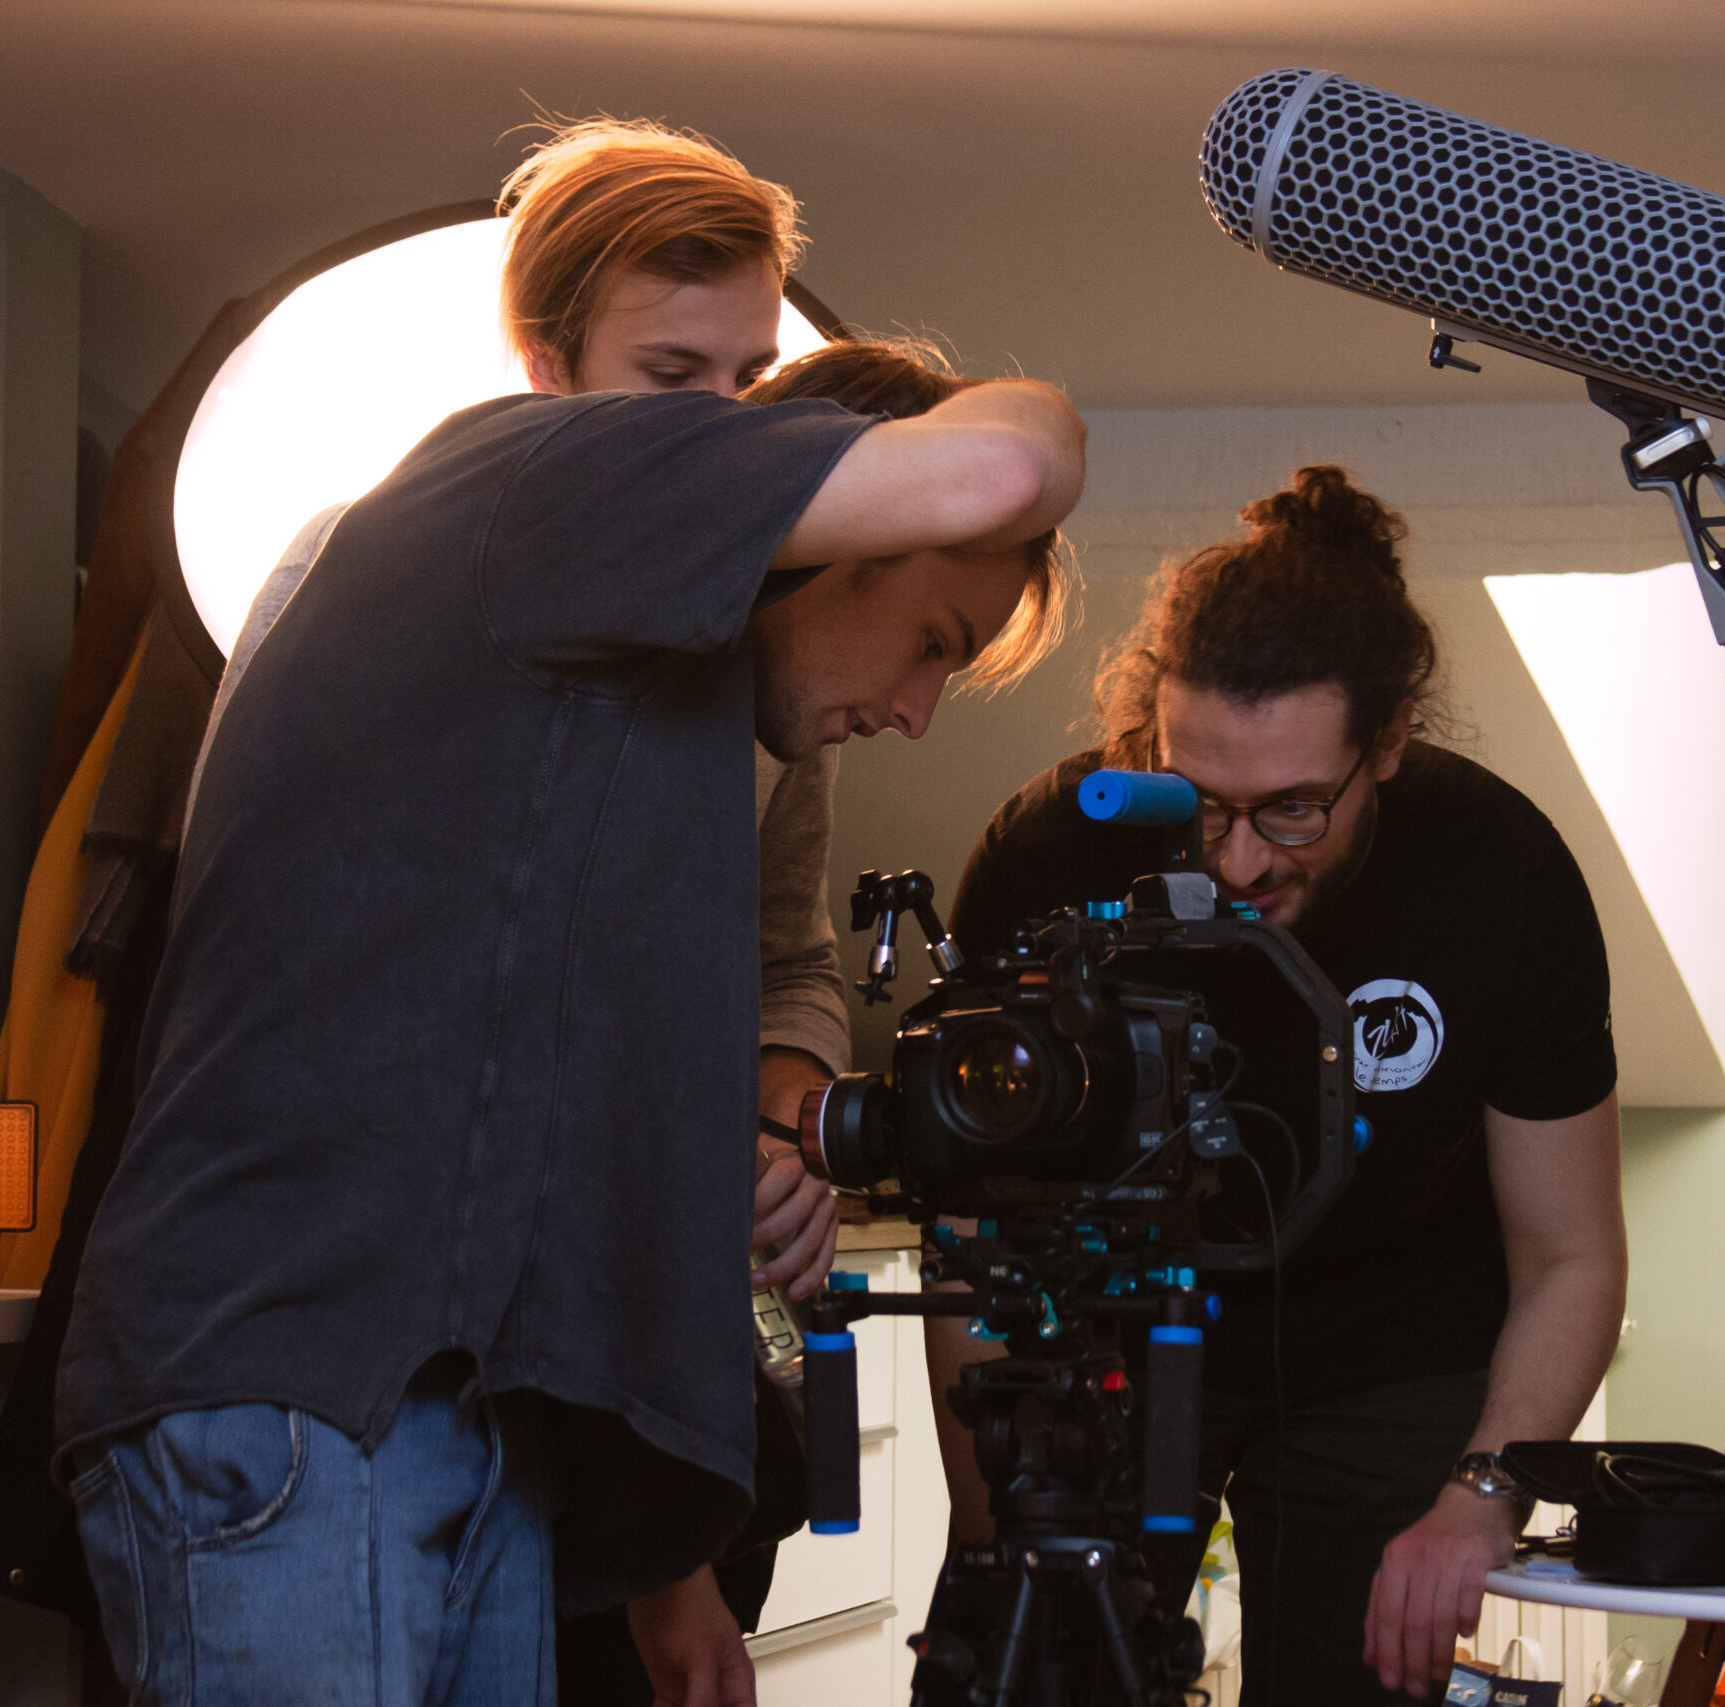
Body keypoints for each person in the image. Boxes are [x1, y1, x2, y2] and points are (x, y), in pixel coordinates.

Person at [54, 162, 1088, 1705]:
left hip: (463, 1409)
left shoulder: (629, 737)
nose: (917, 708)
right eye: (933, 639)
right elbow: (1020, 458)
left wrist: (670, 1583)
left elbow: (527, 1119)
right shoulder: (540, 474)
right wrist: (846, 426)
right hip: (299, 1389)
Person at [937, 465, 1627, 1703]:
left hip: (1393, 1349)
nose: (1242, 860)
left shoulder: (1502, 872)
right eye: (1199, 804)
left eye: (1295, 810)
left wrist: (1483, 1493)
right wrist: (987, 1529)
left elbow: (1571, 1253)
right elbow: (970, 1225)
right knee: (1041, 1671)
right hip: (1112, 1334)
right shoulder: (1047, 850)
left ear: (1393, 741)